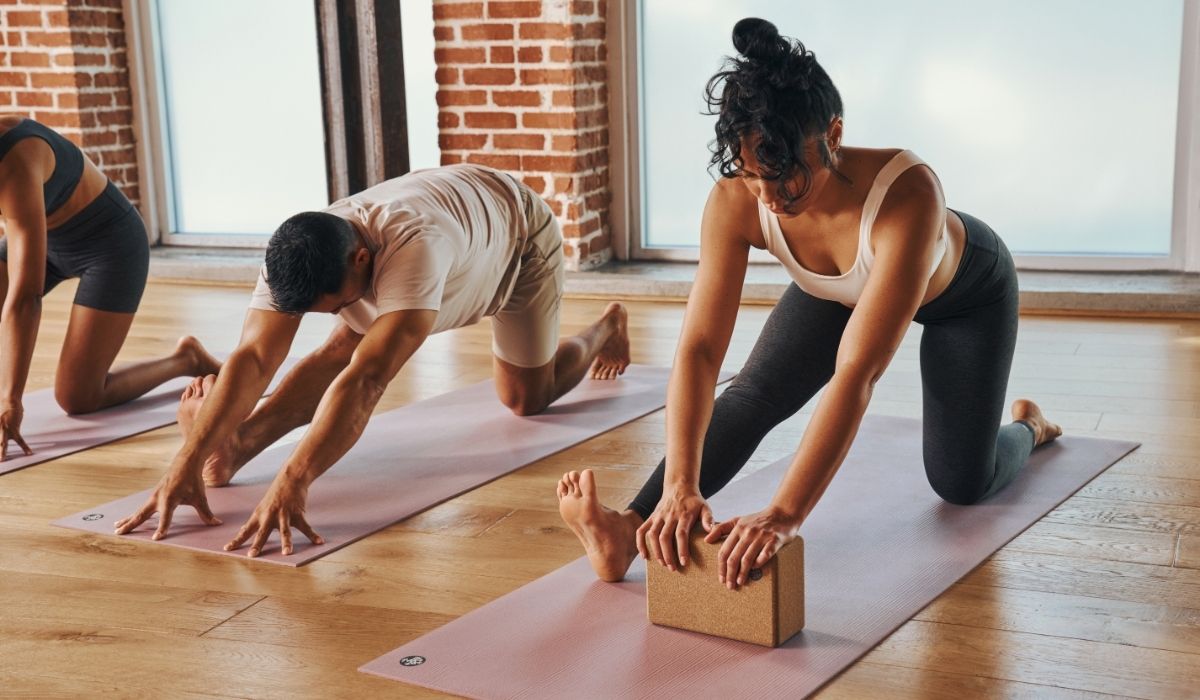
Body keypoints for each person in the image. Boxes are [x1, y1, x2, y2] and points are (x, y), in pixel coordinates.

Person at [556, 18, 1062, 588]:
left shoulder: (909, 194)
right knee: (753, 394)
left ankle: (1030, 426)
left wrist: (785, 513)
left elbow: (857, 374)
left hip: (965, 298)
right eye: (752, 176)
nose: (770, 199)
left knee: (961, 484)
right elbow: (699, 350)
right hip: (838, 291)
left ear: (833, 135)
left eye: (786, 177)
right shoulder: (734, 201)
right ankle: (628, 528)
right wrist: (680, 485)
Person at [113, 163, 631, 556]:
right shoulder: (295, 252)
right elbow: (252, 358)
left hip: (515, 235)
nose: (337, 313)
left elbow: (366, 380)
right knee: (342, 344)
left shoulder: (415, 249)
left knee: (525, 398)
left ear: (362, 259)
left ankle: (607, 325)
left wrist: (294, 480)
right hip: (448, 209)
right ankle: (234, 445)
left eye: (335, 304)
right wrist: (183, 464)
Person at [0, 115, 220, 459]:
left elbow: (25, 298)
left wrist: (11, 399)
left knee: (77, 397)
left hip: (110, 246)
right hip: (47, 239)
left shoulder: (15, 161)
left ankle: (185, 359)